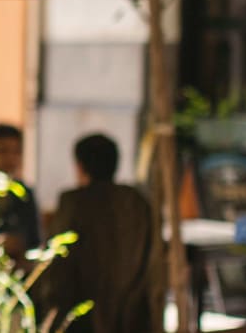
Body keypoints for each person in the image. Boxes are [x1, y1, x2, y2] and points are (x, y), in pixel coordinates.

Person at [34, 134, 165, 333]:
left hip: (84, 318)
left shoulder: (74, 203)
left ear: (79, 166)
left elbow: (57, 265)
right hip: (134, 315)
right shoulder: (137, 202)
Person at [0, 123, 43, 266]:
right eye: (3, 151)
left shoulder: (24, 193)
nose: (11, 158)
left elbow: (35, 240)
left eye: (16, 152)